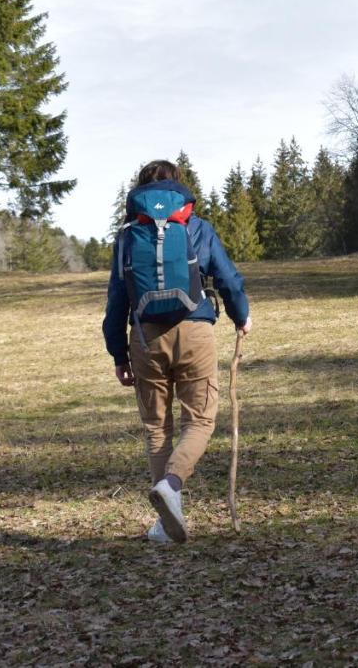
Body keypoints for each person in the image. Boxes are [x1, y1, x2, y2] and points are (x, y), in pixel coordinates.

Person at [103, 159, 252, 543]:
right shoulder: (196, 226)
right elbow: (228, 278)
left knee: (156, 427)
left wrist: (119, 354)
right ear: (177, 189)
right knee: (200, 420)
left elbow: (116, 302)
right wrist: (241, 316)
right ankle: (171, 484)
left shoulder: (126, 237)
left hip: (145, 335)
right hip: (195, 330)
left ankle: (166, 522)